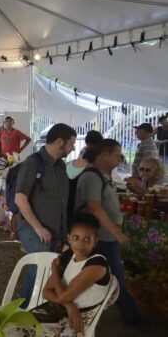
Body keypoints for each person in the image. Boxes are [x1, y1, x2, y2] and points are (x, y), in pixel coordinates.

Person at [7, 213, 113, 337]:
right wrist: (69, 305)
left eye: (87, 239)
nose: (80, 244)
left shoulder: (97, 265)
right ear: (69, 238)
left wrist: (55, 270)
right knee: (11, 326)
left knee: (21, 333)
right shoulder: (68, 256)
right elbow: (46, 291)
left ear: (95, 242)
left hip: (78, 320)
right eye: (75, 237)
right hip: (60, 309)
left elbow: (62, 297)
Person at [73, 139, 141, 325]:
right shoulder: (91, 177)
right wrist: (117, 233)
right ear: (104, 155)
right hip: (99, 238)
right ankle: (131, 315)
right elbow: (94, 207)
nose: (121, 159)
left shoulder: (104, 175)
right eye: (117, 155)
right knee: (115, 277)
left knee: (109, 277)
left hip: (104, 237)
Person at [15, 123, 76, 306]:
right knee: (41, 269)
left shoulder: (60, 166)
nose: (73, 148)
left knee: (43, 269)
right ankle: (25, 309)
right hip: (34, 229)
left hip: (54, 231)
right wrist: (38, 228)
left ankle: (26, 308)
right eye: (71, 143)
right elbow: (20, 198)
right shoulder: (34, 162)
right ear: (59, 141)